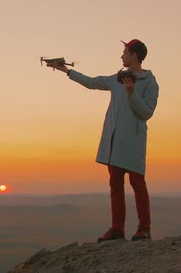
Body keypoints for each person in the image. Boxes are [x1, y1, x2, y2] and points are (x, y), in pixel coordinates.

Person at [47, 39, 159, 242]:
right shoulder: (116, 79)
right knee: (115, 186)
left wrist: (132, 92)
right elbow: (91, 82)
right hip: (114, 143)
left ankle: (144, 228)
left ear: (134, 56)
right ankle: (117, 230)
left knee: (137, 184)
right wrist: (66, 71)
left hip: (133, 143)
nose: (121, 56)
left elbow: (146, 113)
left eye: (125, 52)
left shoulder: (150, 83)